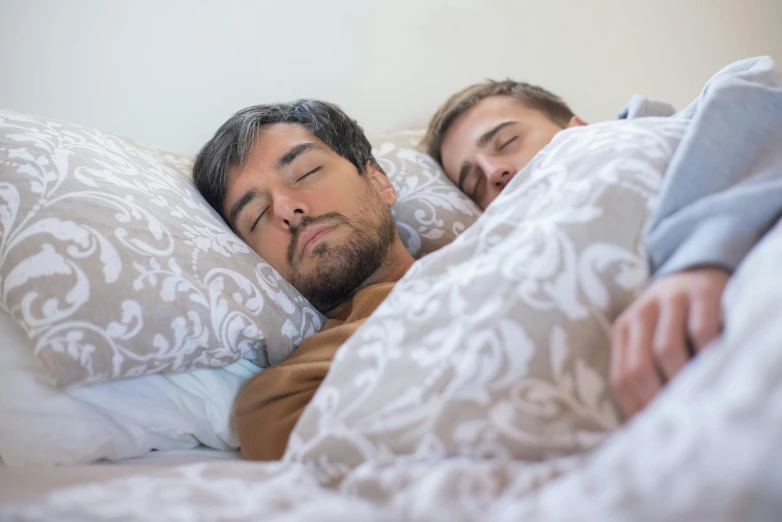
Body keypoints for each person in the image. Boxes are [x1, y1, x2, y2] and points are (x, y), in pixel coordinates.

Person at [423, 60, 782, 419]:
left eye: (507, 141)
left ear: (578, 128)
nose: (493, 172)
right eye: (474, 185)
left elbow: (756, 89)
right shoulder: (498, 257)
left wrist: (702, 253)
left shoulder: (679, 129)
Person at [193, 101, 415, 460]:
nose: (285, 208)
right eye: (257, 214)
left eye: (305, 173)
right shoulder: (285, 397)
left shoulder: (507, 243)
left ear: (379, 182)